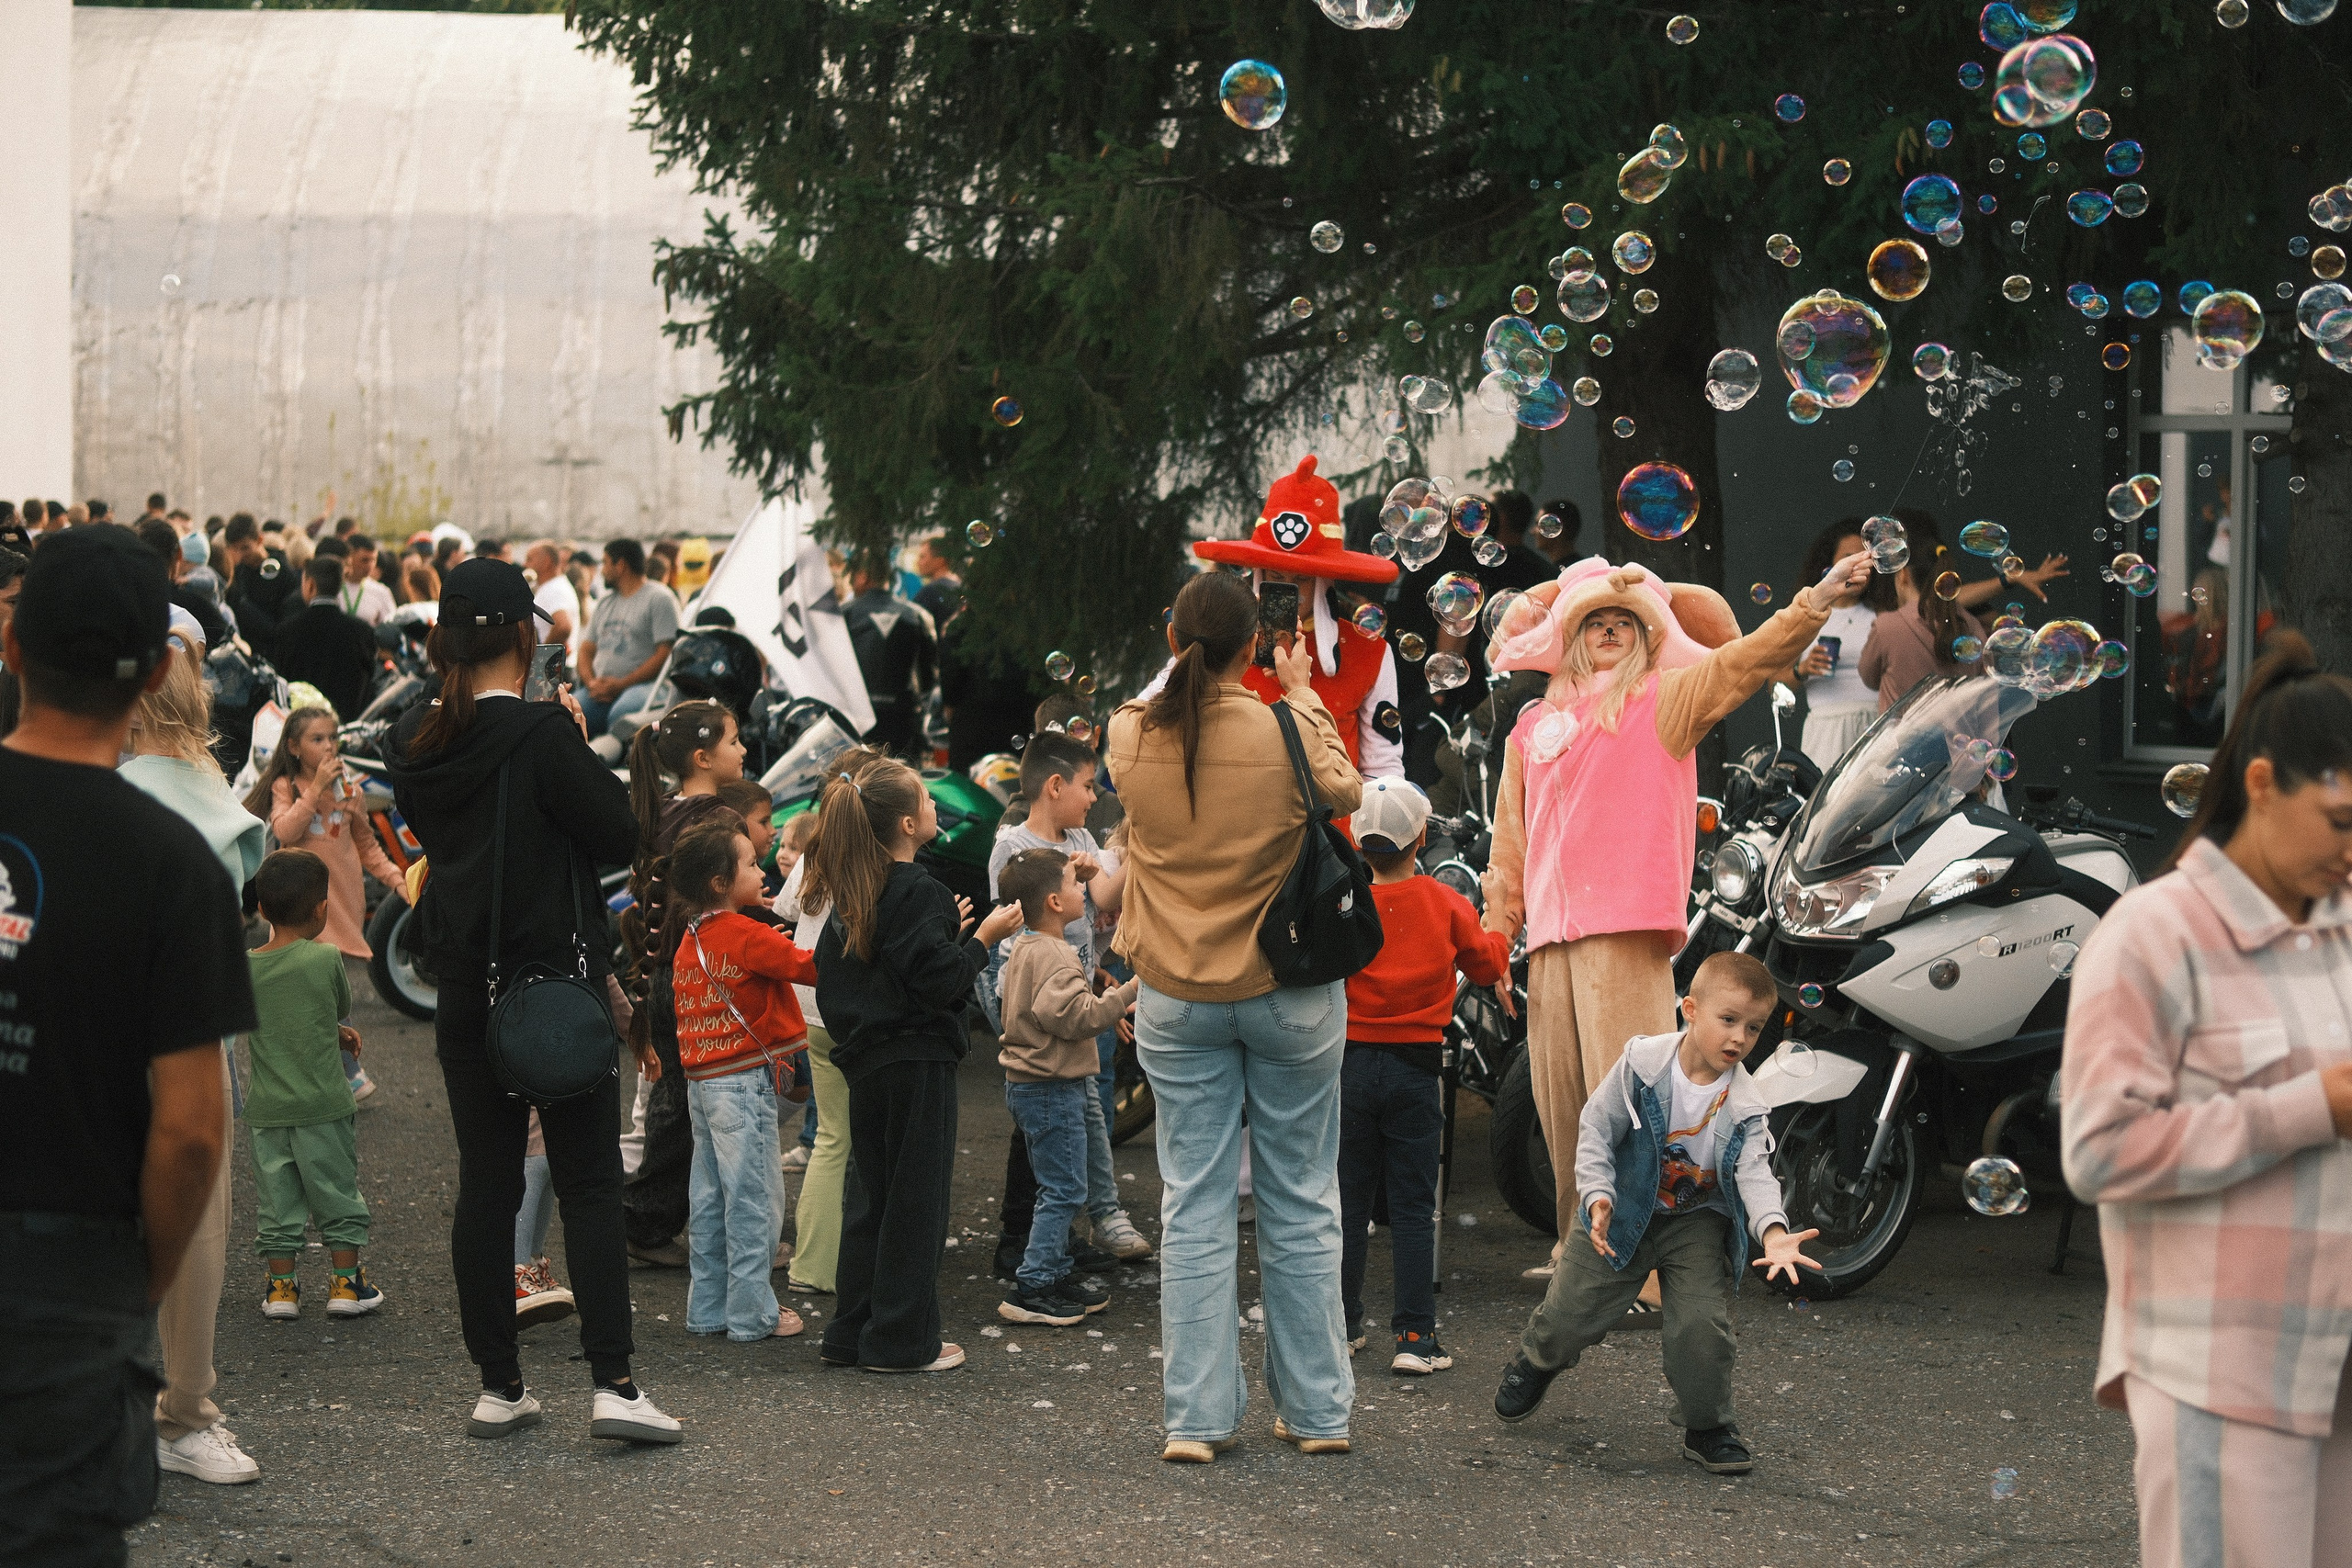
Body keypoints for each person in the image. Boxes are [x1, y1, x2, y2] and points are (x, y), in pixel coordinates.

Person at [1482, 548, 1871, 1282]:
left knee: (1635, 1108)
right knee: (1563, 1102)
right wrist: (1497, 930)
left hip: (1624, 934)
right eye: (1591, 619)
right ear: (1568, 636)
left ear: (1646, 635)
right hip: (1551, 942)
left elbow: (1750, 660)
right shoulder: (1533, 726)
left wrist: (1814, 599)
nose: (1606, 629)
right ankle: (1580, 1253)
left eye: (1621, 620)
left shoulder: (1666, 698)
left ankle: (1649, 1271)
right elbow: (1510, 841)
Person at [2061, 633, 2352, 1568]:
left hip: (2335, 1365)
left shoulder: (2341, 929)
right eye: (2340, 821)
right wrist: (2313, 1106)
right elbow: (2098, 1151)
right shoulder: (2154, 935)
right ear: (2261, 786)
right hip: (2219, 1371)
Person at [383, 558, 683, 1445]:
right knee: (588, 1179)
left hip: (465, 988)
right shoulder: (543, 735)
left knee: (487, 1180)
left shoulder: (413, 740)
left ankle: (500, 1383)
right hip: (550, 988)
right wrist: (576, 738)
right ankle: (615, 1383)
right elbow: (617, 831)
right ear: (524, 636)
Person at [0, 526, 254, 1562]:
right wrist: (133, 1284)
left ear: (12, 647)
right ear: (157, 671)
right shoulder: (176, 862)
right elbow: (193, 1128)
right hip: (71, 1273)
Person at [1105, 570, 1363, 1463]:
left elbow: (1163, 694)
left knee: (1194, 1204)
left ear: (1174, 643)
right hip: (1286, 992)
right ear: (1253, 646)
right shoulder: (1283, 729)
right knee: (1301, 1198)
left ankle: (1196, 1421)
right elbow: (1345, 796)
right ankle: (1318, 1412)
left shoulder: (1128, 737)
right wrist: (1300, 694)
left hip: (1177, 994)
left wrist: (1190, 646)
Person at [1492, 952, 1823, 1476]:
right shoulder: (1643, 1066)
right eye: (1728, 1020)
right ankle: (1538, 1359)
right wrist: (1597, 1195)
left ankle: (1708, 1426)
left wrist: (1775, 1231)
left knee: (1701, 1327)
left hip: (1695, 1223)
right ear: (1690, 1009)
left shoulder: (1746, 1103)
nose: (1739, 1038)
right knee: (1569, 1312)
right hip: (1621, 1207)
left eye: (1754, 1028)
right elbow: (1597, 1129)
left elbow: (1757, 1174)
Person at [808, 753, 1023, 1372]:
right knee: (916, 1201)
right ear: (906, 823)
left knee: (872, 1194)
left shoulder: (855, 889)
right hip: (919, 1060)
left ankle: (852, 1330)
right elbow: (935, 981)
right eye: (928, 800)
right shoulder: (919, 888)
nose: (937, 807)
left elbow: (857, 979)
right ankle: (902, 1339)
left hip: (867, 1062)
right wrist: (981, 940)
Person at [121, 632, 269, 1487]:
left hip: (91, 1030)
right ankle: (184, 1411)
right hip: (189, 1030)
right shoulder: (213, 793)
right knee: (198, 1226)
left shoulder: (90, 784)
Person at [1339, 778, 1510, 1376]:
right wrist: (1500, 926)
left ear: (1360, 843)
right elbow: (1487, 962)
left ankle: (1343, 1324)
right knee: (1413, 1206)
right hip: (1416, 1064)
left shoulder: (1347, 900)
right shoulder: (1444, 901)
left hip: (1350, 1064)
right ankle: (1415, 1335)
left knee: (1349, 1200)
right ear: (1419, 839)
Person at [984, 732, 1149, 1277]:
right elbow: (1028, 939)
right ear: (1054, 786)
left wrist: (1144, 842)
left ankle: (1064, 1235)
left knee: (1078, 1117)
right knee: (1040, 1123)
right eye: (1086, 785)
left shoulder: (1077, 833)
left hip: (1070, 990)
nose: (1093, 796)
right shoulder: (1014, 848)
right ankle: (1021, 1244)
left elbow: (1103, 899)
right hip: (1036, 1005)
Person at [668, 822, 819, 1343]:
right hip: (743, 1084)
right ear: (718, 882)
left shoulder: (692, 938)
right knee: (755, 1198)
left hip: (702, 1084)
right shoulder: (747, 933)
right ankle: (754, 1314)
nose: (762, 869)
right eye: (751, 864)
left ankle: (707, 1310)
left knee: (709, 1197)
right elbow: (808, 967)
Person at [619, 702, 747, 1268]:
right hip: (697, 974)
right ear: (703, 756)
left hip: (662, 970)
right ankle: (647, 1224)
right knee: (688, 1110)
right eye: (734, 741)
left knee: (675, 1103)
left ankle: (655, 1219)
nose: (743, 750)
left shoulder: (663, 810)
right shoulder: (719, 821)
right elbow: (717, 902)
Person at [994, 847, 1141, 1326]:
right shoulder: (1057, 955)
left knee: (1056, 1186)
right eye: (1074, 884)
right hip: (1050, 1087)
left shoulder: (1027, 947)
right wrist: (1128, 991)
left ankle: (1053, 1269)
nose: (1083, 890)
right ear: (1055, 902)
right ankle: (1034, 1283)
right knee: (1063, 1189)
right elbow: (1075, 1018)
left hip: (1034, 1085)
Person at [1192, 455, 1405, 778]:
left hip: (1331, 826)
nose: (1289, 592)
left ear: (1323, 582)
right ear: (1259, 576)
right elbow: (1159, 712)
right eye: (1276, 577)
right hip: (1241, 821)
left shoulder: (1371, 652)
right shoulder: (1219, 638)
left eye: (1302, 579)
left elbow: (1383, 767)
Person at [241, 851, 383, 1323]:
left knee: (277, 1204)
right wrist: (339, 1030)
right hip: (323, 1105)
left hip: (268, 1111)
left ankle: (282, 1292)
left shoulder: (246, 968)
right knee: (337, 1194)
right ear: (322, 909)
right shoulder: (324, 959)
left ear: (261, 910)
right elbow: (335, 1005)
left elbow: (268, 1017)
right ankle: (347, 1285)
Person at [245, 706, 404, 969]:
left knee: (328, 978)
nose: (329, 747)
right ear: (294, 747)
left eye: (333, 738)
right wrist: (316, 789)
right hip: (296, 900)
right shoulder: (286, 786)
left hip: (338, 903)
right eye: (318, 740)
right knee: (297, 978)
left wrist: (398, 882)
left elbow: (368, 848)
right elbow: (286, 831)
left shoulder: (351, 793)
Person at [772, 807, 849, 1293]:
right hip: (843, 1008)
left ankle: (816, 1260)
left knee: (831, 1138)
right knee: (842, 1139)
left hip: (810, 1006)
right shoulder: (870, 861)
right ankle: (819, 1265)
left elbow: (786, 912)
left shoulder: (816, 855)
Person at [1775, 520, 1897, 771]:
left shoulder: (1883, 614)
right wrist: (1803, 669)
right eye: (1848, 557)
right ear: (1829, 566)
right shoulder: (1809, 615)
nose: (1857, 564)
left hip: (1874, 723)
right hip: (1826, 727)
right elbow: (1774, 684)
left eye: (1865, 558)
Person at [1858, 519, 1986, 712]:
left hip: (1904, 740)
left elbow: (1868, 677)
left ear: (1903, 575)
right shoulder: (1971, 624)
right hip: (1961, 738)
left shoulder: (1886, 626)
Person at [577, 540, 679, 738]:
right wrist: (592, 684)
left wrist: (622, 684)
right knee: (570, 712)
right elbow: (586, 650)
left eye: (605, 563)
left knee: (622, 712)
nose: (602, 571)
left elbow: (665, 653)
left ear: (621, 565)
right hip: (601, 690)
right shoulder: (605, 603)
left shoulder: (659, 598)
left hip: (646, 687)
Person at [842, 554, 938, 760]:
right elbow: (930, 673)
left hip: (857, 715)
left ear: (862, 576)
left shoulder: (845, 615)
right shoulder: (917, 615)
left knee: (857, 774)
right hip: (902, 714)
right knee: (901, 775)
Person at [271, 556, 380, 721]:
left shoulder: (288, 630)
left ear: (311, 585)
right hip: (348, 724)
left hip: (301, 724)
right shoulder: (362, 631)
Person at [220, 513, 295, 657]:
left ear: (260, 539)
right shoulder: (235, 573)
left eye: (245, 548)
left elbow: (284, 626)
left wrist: (243, 604)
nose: (240, 555)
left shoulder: (283, 573)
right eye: (235, 549)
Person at [526, 539, 581, 659]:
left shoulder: (555, 588)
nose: (525, 564)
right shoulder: (551, 586)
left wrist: (541, 657)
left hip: (555, 669)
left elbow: (563, 627)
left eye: (530, 559)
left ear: (546, 562)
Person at [336, 536, 396, 627]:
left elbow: (391, 628)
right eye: (365, 560)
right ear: (350, 558)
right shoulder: (334, 587)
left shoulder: (381, 591)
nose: (370, 565)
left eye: (373, 560)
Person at [910, 534, 963, 626]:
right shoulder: (961, 587)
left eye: (922, 557)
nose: (918, 562)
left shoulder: (930, 592)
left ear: (940, 560)